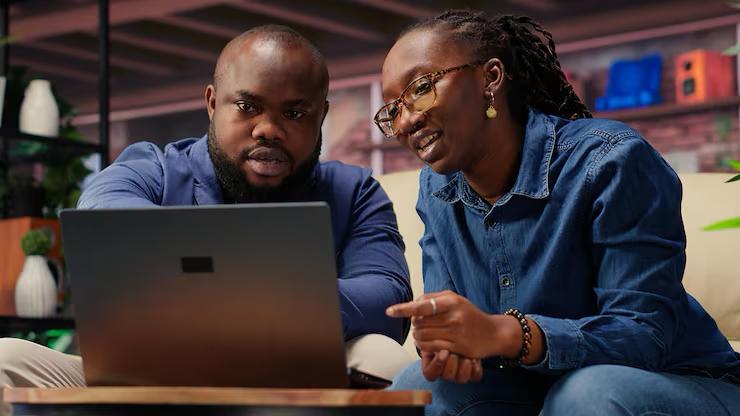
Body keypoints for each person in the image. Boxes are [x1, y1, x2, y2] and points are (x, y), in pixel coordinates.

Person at [0, 25, 412, 390]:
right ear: (213, 103)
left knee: (384, 358)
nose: (268, 129)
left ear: (321, 115)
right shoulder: (155, 169)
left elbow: (388, 298)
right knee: (7, 359)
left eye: (294, 113)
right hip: (143, 376)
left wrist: (225, 289)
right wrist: (276, 296)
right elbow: (102, 214)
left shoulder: (354, 191)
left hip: (300, 376)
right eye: (247, 107)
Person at [378, 9, 740, 416]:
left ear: (490, 77)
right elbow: (451, 325)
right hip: (534, 387)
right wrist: (447, 345)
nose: (405, 121)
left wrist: (509, 333)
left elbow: (643, 337)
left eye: (421, 87)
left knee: (586, 394)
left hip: (678, 379)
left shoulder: (609, 160)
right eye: (392, 110)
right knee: (417, 387)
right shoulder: (436, 189)